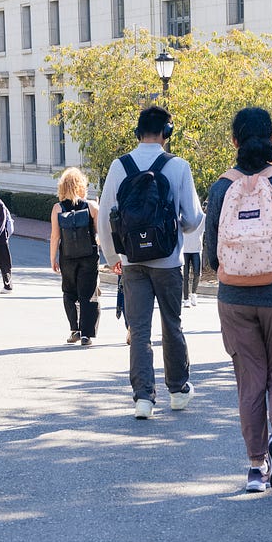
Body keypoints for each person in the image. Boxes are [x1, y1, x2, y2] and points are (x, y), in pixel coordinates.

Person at [203, 107, 272, 492]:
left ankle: (255, 467)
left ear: (234, 141)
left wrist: (231, 276)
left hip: (234, 297)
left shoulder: (221, 186)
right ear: (271, 140)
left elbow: (210, 253)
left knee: (249, 378)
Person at [96, 105, 203, 419]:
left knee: (139, 329)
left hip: (132, 260)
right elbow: (194, 217)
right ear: (166, 133)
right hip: (168, 260)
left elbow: (105, 215)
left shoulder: (120, 166)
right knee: (172, 324)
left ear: (137, 132)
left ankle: (143, 398)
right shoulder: (178, 165)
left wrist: (114, 256)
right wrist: (172, 230)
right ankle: (178, 389)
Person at [50, 167, 103, 346]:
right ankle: (87, 335)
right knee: (88, 295)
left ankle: (75, 329)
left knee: (69, 292)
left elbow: (55, 236)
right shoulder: (92, 206)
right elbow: (99, 235)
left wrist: (53, 258)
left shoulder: (58, 208)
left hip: (67, 256)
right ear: (81, 185)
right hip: (88, 257)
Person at [181, 205, 203, 308]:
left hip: (197, 250)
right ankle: (186, 299)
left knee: (197, 273)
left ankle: (194, 293)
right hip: (184, 250)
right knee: (185, 275)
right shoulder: (181, 216)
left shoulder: (202, 217)